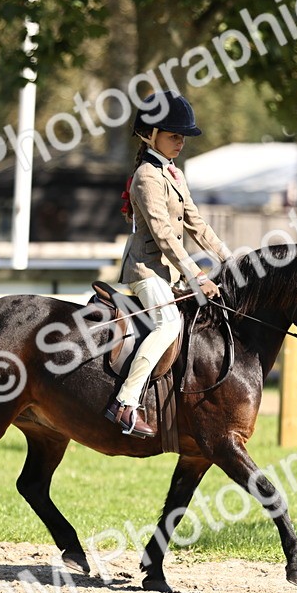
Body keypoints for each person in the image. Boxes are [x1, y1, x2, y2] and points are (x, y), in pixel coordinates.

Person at [104, 91, 231, 438]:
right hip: (145, 271)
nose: (181, 143)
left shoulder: (174, 173)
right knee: (168, 323)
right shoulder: (147, 176)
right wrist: (196, 275)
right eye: (174, 136)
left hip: (169, 271)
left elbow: (196, 223)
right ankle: (125, 403)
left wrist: (229, 257)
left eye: (183, 137)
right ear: (151, 134)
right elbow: (164, 236)